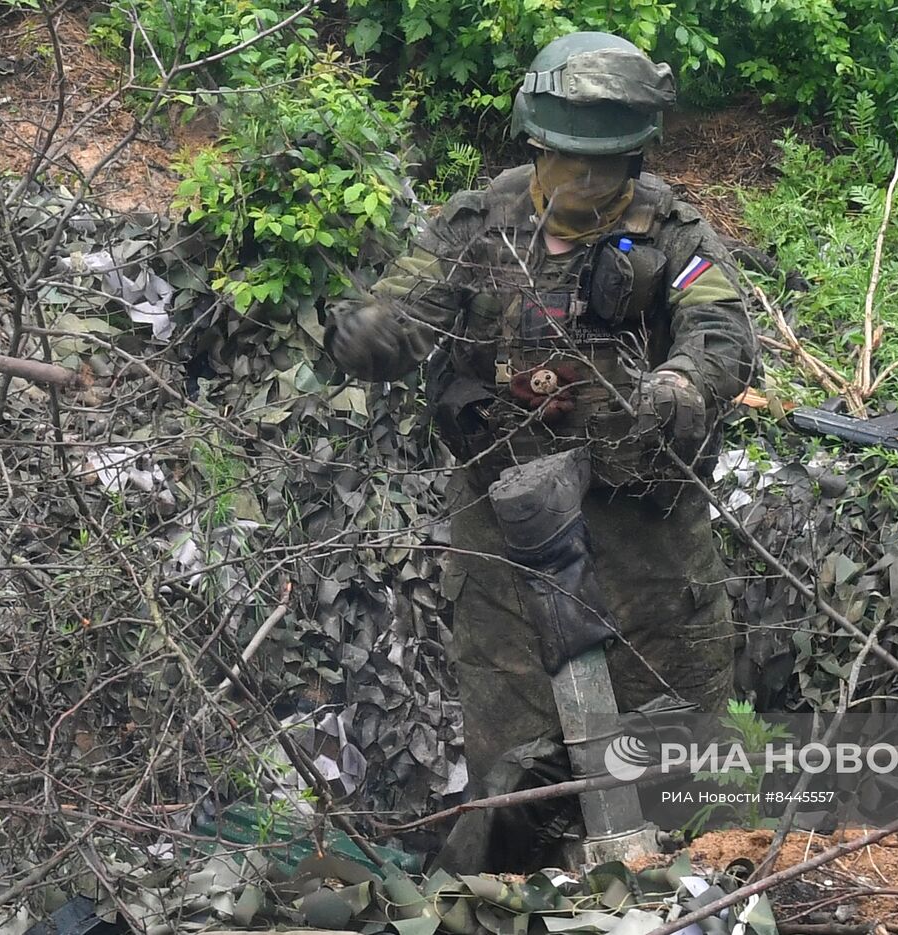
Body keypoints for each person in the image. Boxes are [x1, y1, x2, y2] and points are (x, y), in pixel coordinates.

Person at [323, 31, 756, 868]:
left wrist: (676, 385)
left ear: (636, 157)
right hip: (503, 543)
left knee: (678, 758)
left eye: (606, 167)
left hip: (645, 543)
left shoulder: (673, 233)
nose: (586, 184)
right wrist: (373, 335)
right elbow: (409, 307)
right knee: (517, 767)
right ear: (536, 144)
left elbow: (722, 333)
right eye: (569, 164)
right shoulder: (476, 225)